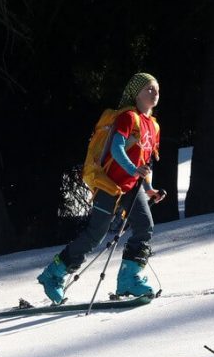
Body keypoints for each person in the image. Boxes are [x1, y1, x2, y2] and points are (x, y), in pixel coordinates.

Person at [37, 72, 165, 304]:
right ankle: (53, 275)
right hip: (109, 184)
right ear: (135, 93)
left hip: (131, 187)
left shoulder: (153, 126)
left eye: (156, 89)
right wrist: (133, 170)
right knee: (96, 234)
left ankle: (129, 278)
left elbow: (145, 162)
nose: (154, 93)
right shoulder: (128, 117)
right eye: (148, 88)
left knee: (145, 226)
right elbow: (117, 149)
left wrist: (149, 188)